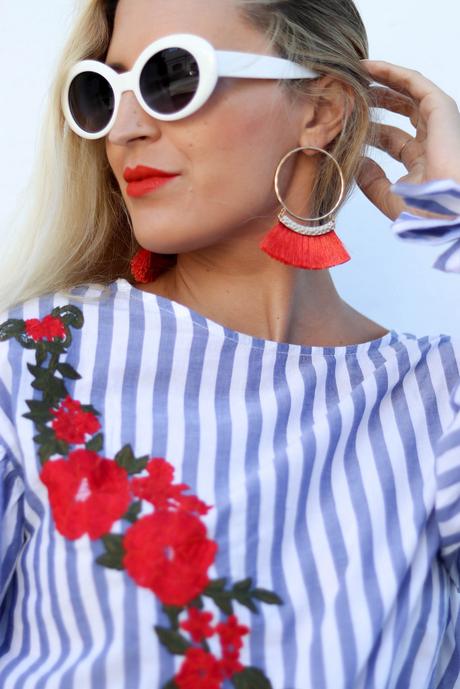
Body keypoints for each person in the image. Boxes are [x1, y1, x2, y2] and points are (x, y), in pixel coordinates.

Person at [1, 0, 460, 687]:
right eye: (101, 91)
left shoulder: (435, 402)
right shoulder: (35, 363)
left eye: (171, 77)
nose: (123, 129)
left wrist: (454, 230)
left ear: (321, 109)